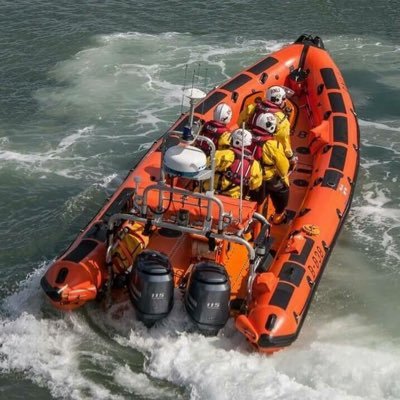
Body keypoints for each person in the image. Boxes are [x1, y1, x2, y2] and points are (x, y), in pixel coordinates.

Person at [211, 128, 262, 199]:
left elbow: (207, 166)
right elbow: (255, 184)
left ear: (235, 141)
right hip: (234, 199)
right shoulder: (254, 164)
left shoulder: (223, 154)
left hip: (211, 193)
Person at [259, 137, 291, 225]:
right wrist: (284, 178)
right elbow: (283, 167)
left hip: (250, 176)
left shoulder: (247, 138)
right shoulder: (272, 145)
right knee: (282, 190)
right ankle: (278, 216)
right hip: (267, 177)